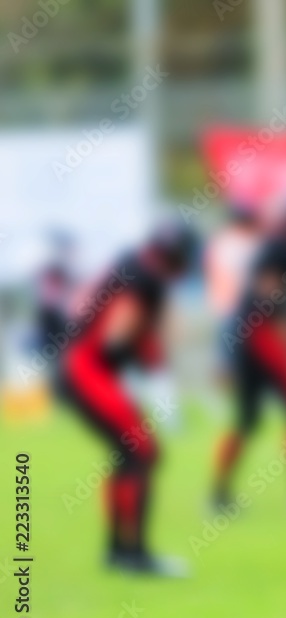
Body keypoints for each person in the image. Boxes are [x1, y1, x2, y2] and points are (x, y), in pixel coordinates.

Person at [58, 220, 195, 575]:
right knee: (141, 452)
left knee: (129, 453)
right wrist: (149, 369)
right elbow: (116, 337)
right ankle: (131, 553)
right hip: (87, 369)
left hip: (82, 365)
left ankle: (118, 550)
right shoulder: (145, 279)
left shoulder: (133, 264)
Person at [212, 201, 286, 509]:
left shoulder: (284, 246)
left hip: (254, 337)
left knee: (251, 419)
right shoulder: (285, 248)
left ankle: (220, 493)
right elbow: (267, 291)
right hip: (261, 337)